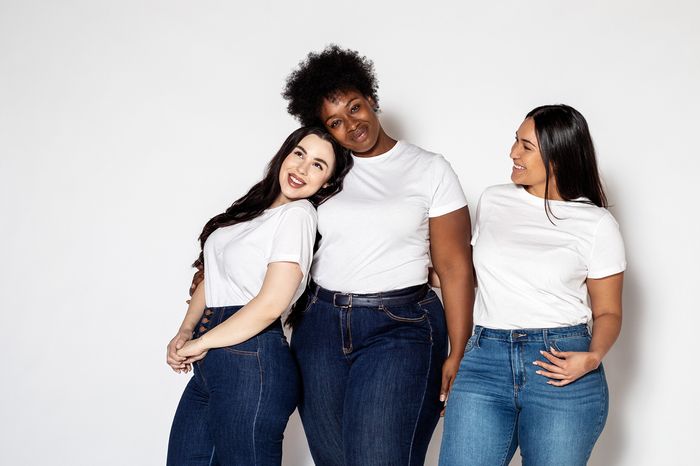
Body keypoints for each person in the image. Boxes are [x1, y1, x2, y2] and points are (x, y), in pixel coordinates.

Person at [281, 45, 475, 466]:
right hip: (319, 330)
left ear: (371, 98)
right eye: (336, 121)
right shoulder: (323, 172)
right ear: (324, 129)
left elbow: (455, 266)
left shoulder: (429, 169)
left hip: (400, 329)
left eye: (355, 107)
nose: (352, 124)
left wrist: (459, 350)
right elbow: (266, 222)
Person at [439, 105, 626, 466]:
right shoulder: (495, 200)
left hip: (558, 365)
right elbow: (484, 272)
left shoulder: (597, 224)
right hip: (484, 360)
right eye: (515, 141)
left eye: (526, 146)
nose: (513, 153)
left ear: (557, 157)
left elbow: (609, 311)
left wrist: (592, 357)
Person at [165, 126, 352, 465]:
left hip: (252, 361)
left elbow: (270, 305)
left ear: (326, 182)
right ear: (285, 153)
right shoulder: (250, 215)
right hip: (215, 359)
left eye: (318, 165)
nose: (302, 168)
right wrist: (185, 331)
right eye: (299, 154)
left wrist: (200, 343)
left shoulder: (298, 216)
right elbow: (213, 277)